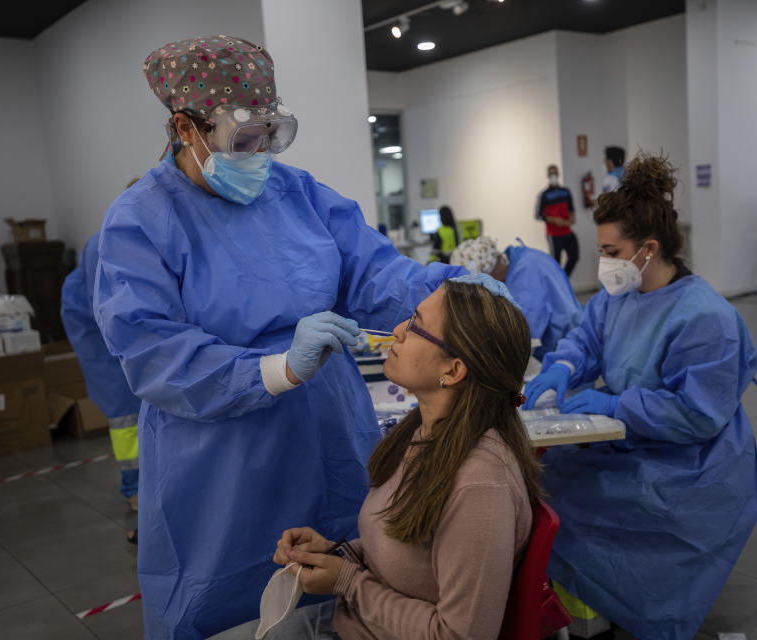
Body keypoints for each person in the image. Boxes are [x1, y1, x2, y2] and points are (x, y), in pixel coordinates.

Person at [92, 35, 464, 639]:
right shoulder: (140, 221)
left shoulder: (299, 194)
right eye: (245, 138)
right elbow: (151, 351)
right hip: (220, 466)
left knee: (348, 588)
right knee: (237, 611)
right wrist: (276, 369)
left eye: (272, 134)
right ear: (186, 128)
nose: (261, 153)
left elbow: (375, 273)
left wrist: (451, 288)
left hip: (331, 434)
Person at [523, 153, 757, 640]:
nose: (604, 263)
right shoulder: (620, 295)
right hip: (639, 439)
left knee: (566, 500)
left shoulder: (704, 317)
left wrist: (615, 406)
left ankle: (618, 610)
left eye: (611, 250)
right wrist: (564, 367)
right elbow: (587, 339)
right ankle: (583, 605)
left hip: (693, 464)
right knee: (542, 480)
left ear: (648, 249)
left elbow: (697, 415)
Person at [265, 275, 543, 640]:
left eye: (415, 324)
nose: (397, 331)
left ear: (453, 370)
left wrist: (348, 581)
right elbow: (415, 559)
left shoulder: (480, 485)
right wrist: (339, 554)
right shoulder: (423, 433)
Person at [60, 228, 141, 545]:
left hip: (122, 330)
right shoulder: (103, 244)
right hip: (100, 336)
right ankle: (134, 488)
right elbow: (107, 308)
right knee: (125, 412)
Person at [451, 236, 583, 360]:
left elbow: (523, 334)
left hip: (567, 353)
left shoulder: (525, 274)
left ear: (491, 271)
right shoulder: (517, 258)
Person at [536, 164, 579, 277]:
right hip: (554, 235)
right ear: (548, 176)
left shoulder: (566, 192)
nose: (553, 176)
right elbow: (538, 215)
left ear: (558, 174)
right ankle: (558, 284)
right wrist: (554, 220)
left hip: (567, 232)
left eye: (555, 173)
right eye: (551, 174)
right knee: (555, 263)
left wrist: (572, 217)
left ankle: (563, 279)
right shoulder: (544, 195)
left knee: (574, 256)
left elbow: (571, 209)